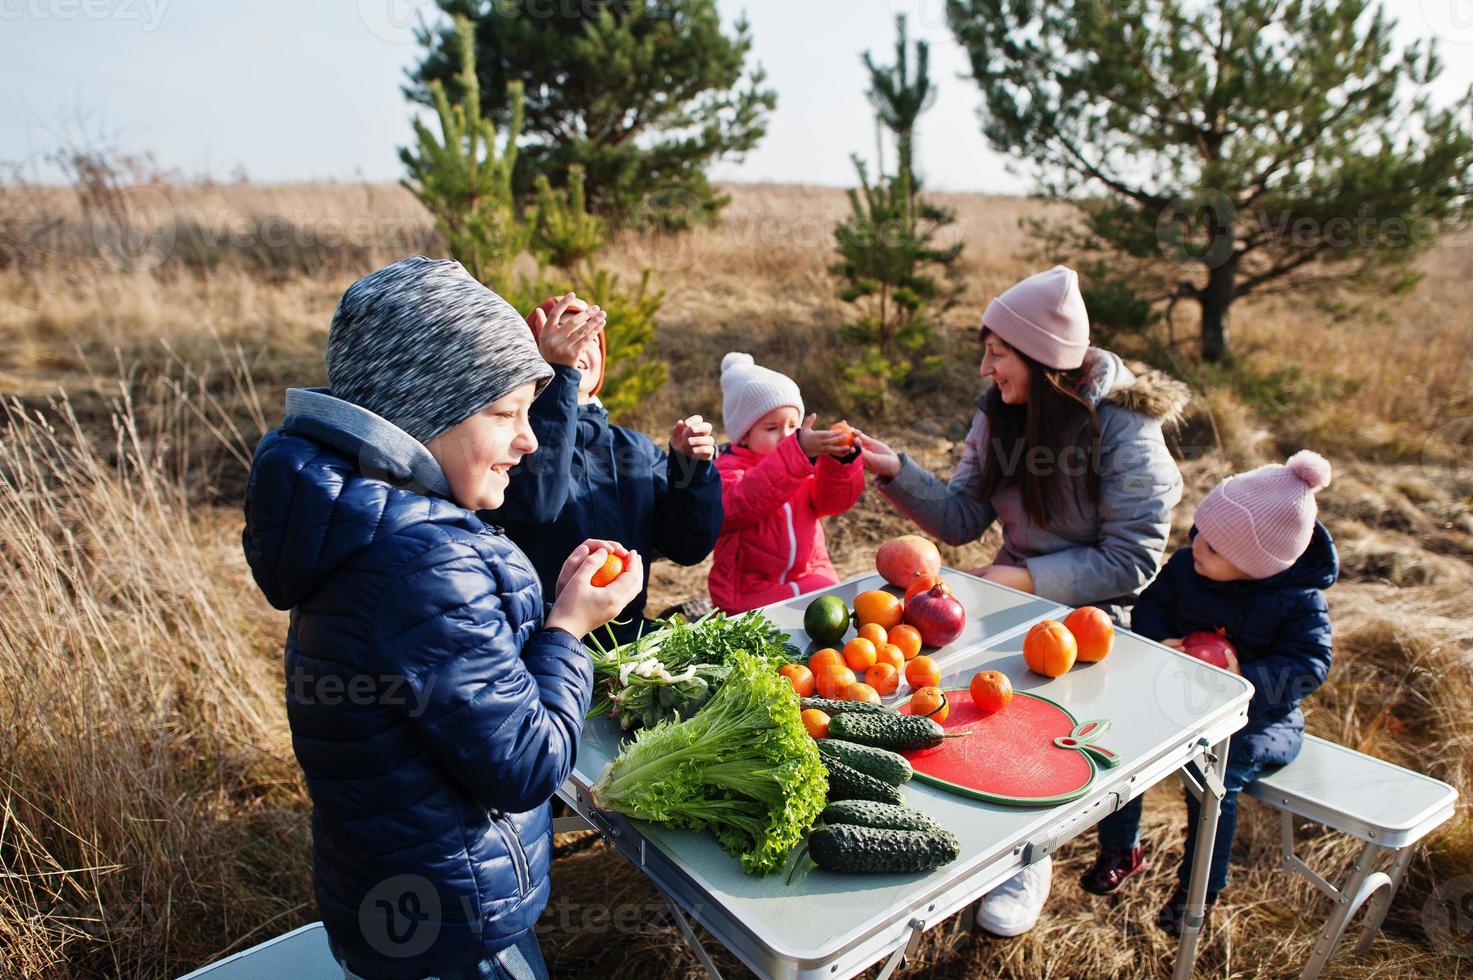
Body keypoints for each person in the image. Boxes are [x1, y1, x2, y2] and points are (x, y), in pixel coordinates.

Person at [242, 257, 643, 980]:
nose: (529, 441)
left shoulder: (361, 523)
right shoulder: (424, 561)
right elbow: (525, 763)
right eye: (505, 414)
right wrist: (567, 630)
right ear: (429, 410)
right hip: (456, 928)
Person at [856, 265, 1189, 937]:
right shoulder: (999, 413)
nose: (984, 367)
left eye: (997, 352)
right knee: (952, 700)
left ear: (1042, 359)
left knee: (1043, 717)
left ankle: (1027, 854)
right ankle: (963, 833)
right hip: (1005, 586)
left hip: (1095, 608)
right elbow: (958, 520)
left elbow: (1132, 560)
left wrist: (1024, 581)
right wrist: (895, 470)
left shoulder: (1125, 428)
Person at [1080, 451, 1338, 936]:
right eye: (1200, 530)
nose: (1197, 544)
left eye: (1215, 547)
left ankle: (1199, 888)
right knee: (1123, 745)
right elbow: (1151, 608)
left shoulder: (1300, 602)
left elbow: (1308, 667)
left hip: (1257, 720)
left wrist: (1245, 676)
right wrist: (1161, 643)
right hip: (1175, 695)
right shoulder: (1187, 566)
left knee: (1214, 780)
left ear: (1255, 565)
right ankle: (1120, 846)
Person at [491, 293, 722, 646]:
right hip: (542, 642)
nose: (579, 341)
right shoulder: (512, 441)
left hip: (630, 644)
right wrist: (560, 378)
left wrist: (692, 470)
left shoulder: (636, 449)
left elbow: (686, 547)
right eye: (564, 332)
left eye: (589, 334)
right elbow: (534, 505)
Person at [708, 352, 865, 613]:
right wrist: (795, 454)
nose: (786, 437)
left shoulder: (801, 461)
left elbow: (832, 503)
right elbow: (739, 505)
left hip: (812, 576)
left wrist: (841, 463)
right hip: (749, 592)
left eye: (794, 426)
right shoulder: (728, 468)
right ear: (743, 435)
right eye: (772, 428)